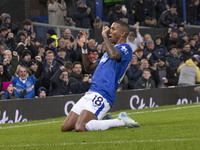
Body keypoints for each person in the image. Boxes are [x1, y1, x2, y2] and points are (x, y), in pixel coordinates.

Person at [61, 21, 140, 132]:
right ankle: (101, 120)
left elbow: (113, 55)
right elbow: (89, 68)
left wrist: (104, 37)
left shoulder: (126, 49)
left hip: (104, 93)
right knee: (65, 127)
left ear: (122, 33)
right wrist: (84, 47)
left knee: (80, 127)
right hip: (91, 92)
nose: (109, 32)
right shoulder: (108, 52)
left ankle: (120, 121)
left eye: (113, 29)